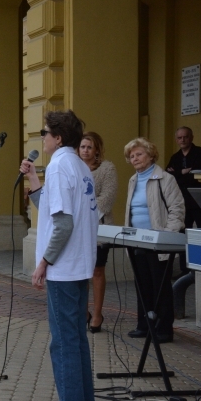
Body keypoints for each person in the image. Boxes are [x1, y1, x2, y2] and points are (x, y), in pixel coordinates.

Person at [20, 110, 97, 401]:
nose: (42, 137)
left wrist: (44, 262)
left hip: (64, 267)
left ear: (58, 137)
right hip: (79, 264)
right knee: (76, 337)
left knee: (63, 340)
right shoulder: (79, 166)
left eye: (45, 132)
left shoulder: (60, 165)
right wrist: (33, 180)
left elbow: (63, 225)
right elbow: (54, 210)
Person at [124, 138, 185, 344]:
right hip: (137, 240)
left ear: (150, 155)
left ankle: (164, 329)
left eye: (139, 154)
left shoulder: (165, 178)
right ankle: (145, 325)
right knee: (142, 284)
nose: (134, 159)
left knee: (160, 286)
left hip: (158, 241)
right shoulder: (133, 180)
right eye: (132, 156)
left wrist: (166, 236)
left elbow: (177, 210)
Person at [78, 132, 118, 333]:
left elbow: (107, 197)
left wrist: (87, 213)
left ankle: (97, 313)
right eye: (82, 147)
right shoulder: (74, 167)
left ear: (97, 150)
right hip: (77, 228)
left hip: (99, 227)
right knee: (81, 272)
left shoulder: (107, 168)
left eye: (89, 147)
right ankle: (83, 311)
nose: (85, 151)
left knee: (97, 270)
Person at [166, 127, 201, 230]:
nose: (182, 140)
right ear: (176, 140)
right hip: (182, 201)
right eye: (179, 138)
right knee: (182, 231)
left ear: (192, 138)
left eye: (185, 137)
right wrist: (182, 172)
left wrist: (176, 174)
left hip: (199, 200)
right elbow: (168, 176)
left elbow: (197, 176)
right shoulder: (175, 157)